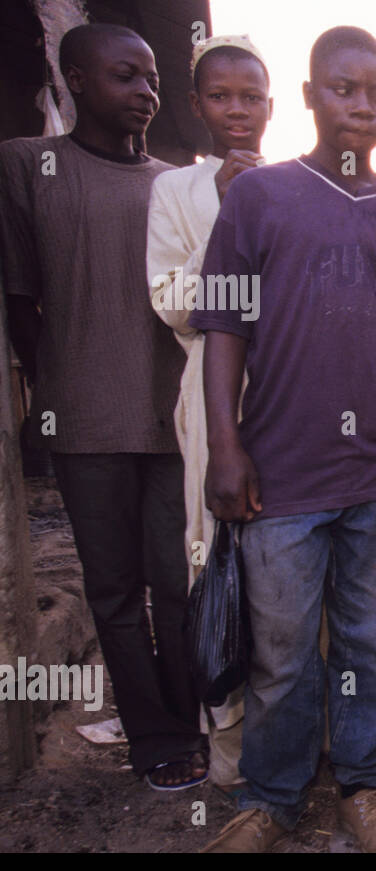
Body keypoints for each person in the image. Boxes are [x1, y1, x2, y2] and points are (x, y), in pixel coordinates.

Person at [195, 26, 376, 853]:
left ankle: (366, 785)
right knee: (280, 652)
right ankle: (270, 797)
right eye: (346, 88)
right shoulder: (259, 198)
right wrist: (225, 448)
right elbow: (224, 330)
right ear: (309, 98)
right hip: (280, 474)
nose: (363, 105)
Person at [0, 23, 205, 791]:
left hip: (171, 417)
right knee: (113, 591)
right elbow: (22, 296)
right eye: (127, 77)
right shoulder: (29, 166)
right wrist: (54, 394)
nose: (146, 94)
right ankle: (153, 738)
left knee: (178, 582)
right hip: (85, 421)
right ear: (75, 80)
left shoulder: (176, 180)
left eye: (152, 79)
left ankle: (188, 722)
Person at [146, 33, 272, 801]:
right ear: (196, 106)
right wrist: (225, 208)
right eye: (220, 97)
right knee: (216, 562)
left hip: (292, 399)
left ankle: (302, 740)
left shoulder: (298, 180)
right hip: (213, 403)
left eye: (250, 97)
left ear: (272, 104)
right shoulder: (176, 192)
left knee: (290, 569)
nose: (236, 111)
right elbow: (174, 308)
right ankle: (232, 756)